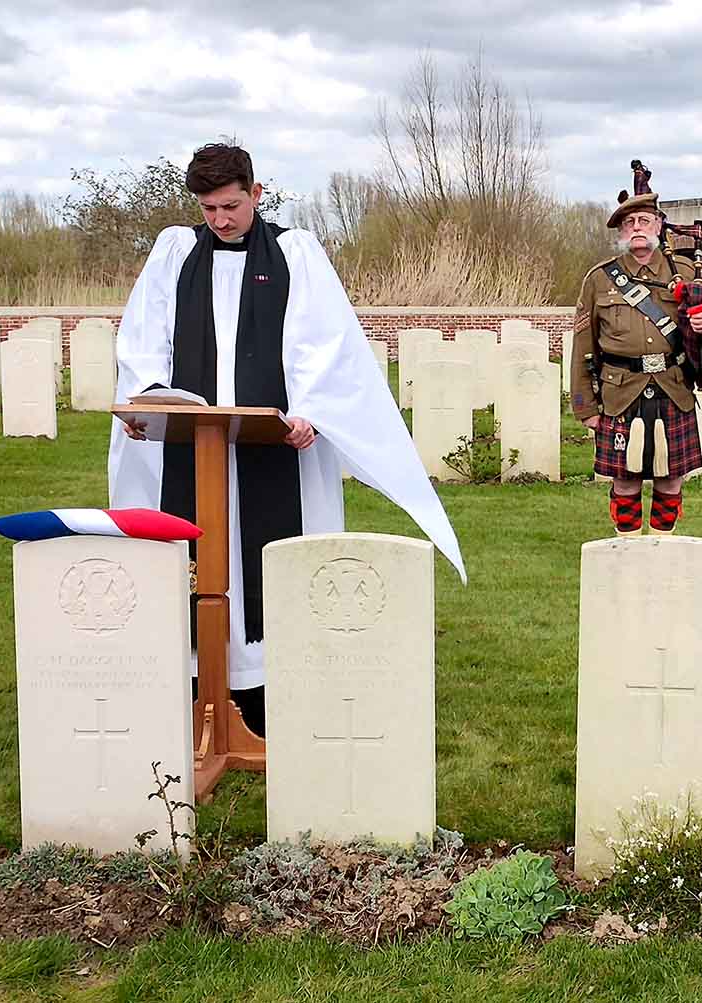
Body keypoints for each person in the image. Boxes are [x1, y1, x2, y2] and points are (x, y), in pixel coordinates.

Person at [108, 143, 465, 734]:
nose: (219, 220)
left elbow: (322, 342)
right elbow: (145, 336)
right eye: (208, 208)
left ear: (256, 193)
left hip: (272, 447)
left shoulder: (294, 253)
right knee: (198, 554)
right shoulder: (175, 253)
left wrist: (307, 412)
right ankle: (202, 686)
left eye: (231, 205)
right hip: (191, 449)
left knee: (270, 557)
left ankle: (270, 692)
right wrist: (148, 394)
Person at [570, 189, 702, 536]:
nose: (637, 227)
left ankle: (662, 546)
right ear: (621, 233)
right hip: (619, 392)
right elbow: (583, 345)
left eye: (644, 220)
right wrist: (586, 407)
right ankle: (626, 547)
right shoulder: (599, 279)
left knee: (671, 478)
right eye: (629, 222)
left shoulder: (685, 271)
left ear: (658, 225)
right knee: (624, 479)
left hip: (673, 388)